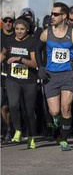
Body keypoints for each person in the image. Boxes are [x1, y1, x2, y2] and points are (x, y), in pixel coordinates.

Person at [35, 2, 73, 151]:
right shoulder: (46, 32)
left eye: (55, 14)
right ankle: (58, 130)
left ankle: (64, 139)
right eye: (52, 14)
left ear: (64, 16)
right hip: (50, 75)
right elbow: (37, 50)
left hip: (68, 74)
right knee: (54, 112)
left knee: (65, 108)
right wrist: (40, 67)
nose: (52, 16)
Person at [0, 16, 38, 149]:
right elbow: (3, 54)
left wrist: (20, 59)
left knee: (29, 110)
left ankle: (32, 136)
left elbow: (34, 63)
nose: (19, 31)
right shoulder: (8, 40)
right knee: (13, 104)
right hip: (13, 79)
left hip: (29, 81)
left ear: (27, 30)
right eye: (17, 29)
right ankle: (17, 130)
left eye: (22, 29)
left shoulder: (32, 42)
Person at [1, 8, 16, 143]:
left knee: (12, 105)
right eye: (5, 20)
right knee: (2, 106)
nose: (7, 23)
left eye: (10, 20)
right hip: (1, 74)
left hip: (15, 75)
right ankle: (7, 130)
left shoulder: (17, 36)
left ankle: (14, 128)